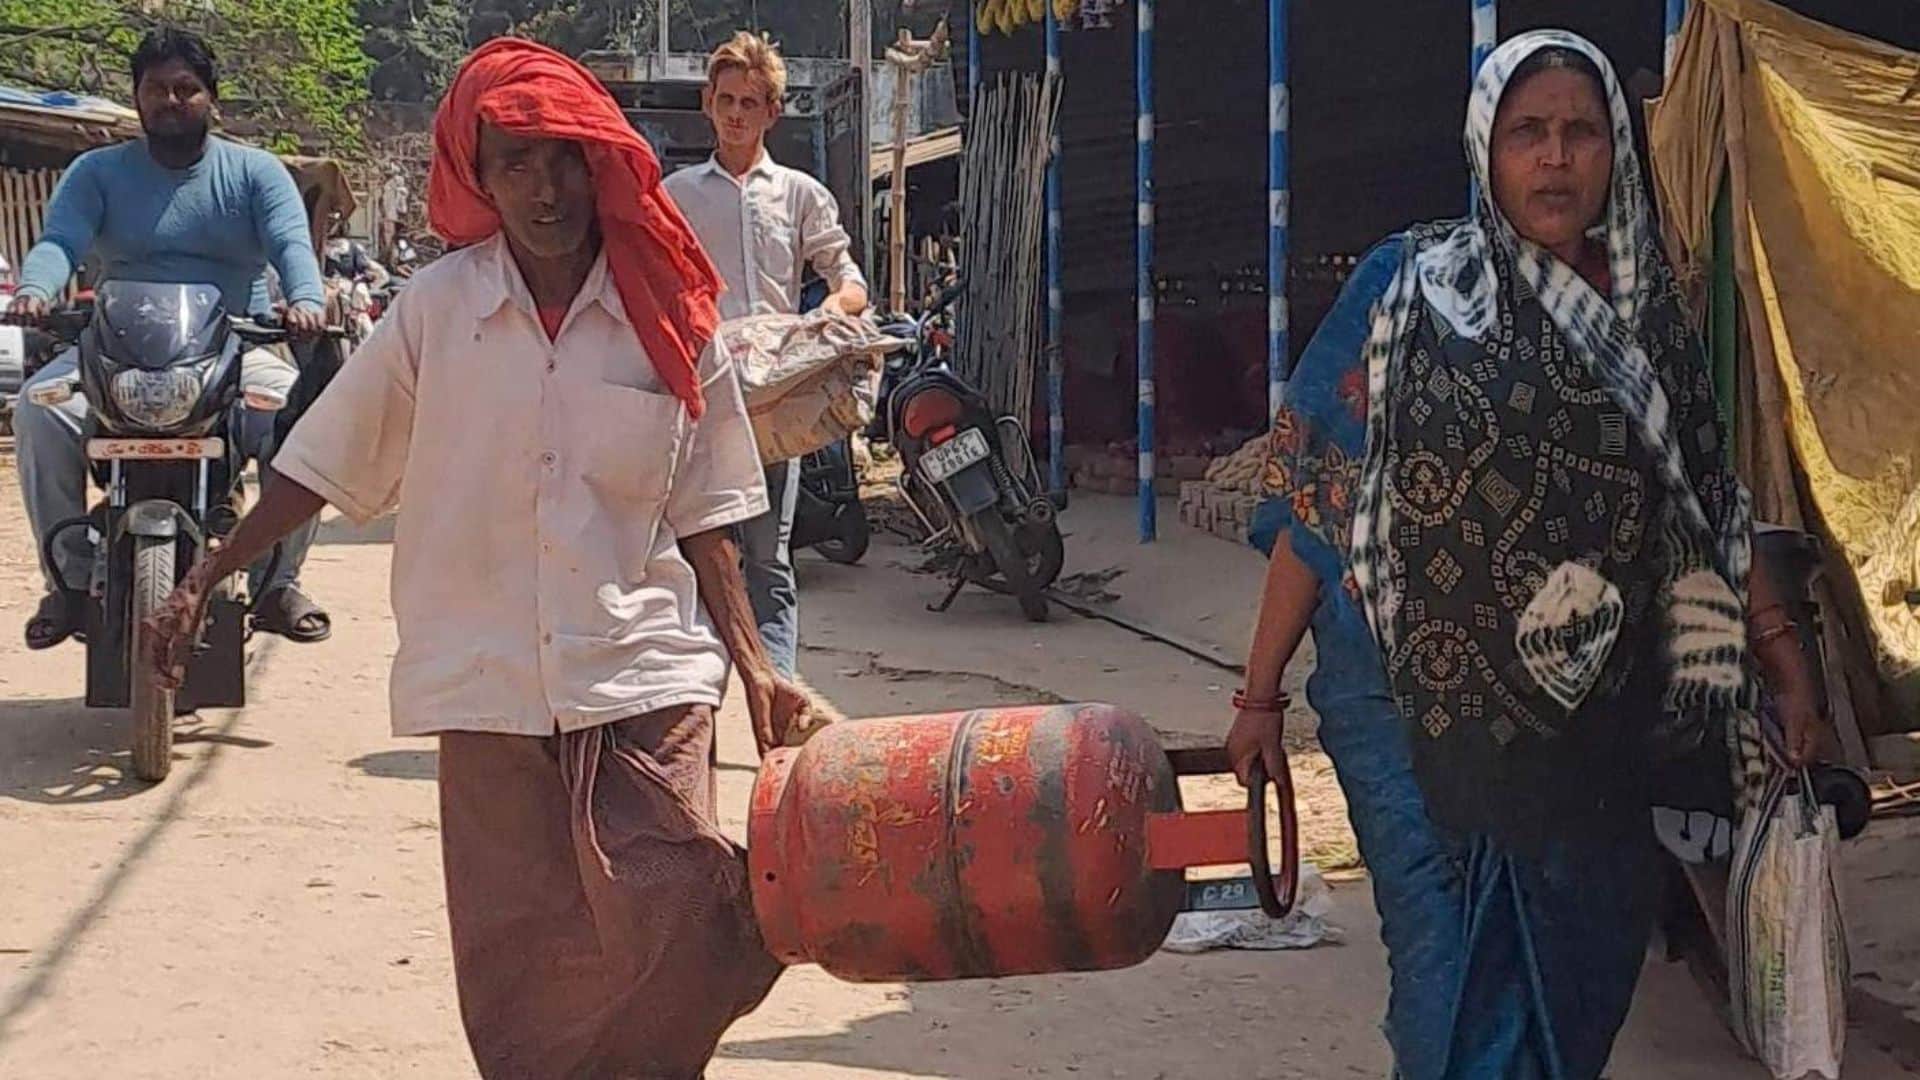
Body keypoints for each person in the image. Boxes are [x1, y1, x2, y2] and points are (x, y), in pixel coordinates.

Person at [144, 39, 813, 1079]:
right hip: (488, 688)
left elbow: (710, 509)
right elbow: (323, 460)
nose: (544, 189)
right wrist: (205, 573)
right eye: (515, 164)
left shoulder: (670, 316)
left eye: (564, 160)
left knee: (687, 917)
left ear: (601, 163)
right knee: (523, 991)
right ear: (480, 177)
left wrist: (759, 669)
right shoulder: (436, 313)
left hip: (639, 670)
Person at [1227, 31, 1829, 1079]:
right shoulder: (1405, 290)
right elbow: (1319, 497)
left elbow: (1709, 509)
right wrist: (1259, 697)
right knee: (1449, 965)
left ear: (1615, 156)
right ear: (1486, 151)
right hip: (1408, 708)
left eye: (1582, 134)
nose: (1556, 158)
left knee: (1577, 965)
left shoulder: (1645, 322)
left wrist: (1782, 660)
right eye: (1529, 133)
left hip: (1593, 718)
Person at [6, 27, 331, 649]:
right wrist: (35, 290)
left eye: (187, 88)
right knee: (40, 411)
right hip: (111, 354)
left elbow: (292, 245)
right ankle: (68, 583)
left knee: (305, 424)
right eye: (158, 89)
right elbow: (59, 242)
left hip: (238, 350)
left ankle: (278, 581)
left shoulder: (256, 173)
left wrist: (307, 302)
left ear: (213, 100)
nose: (172, 100)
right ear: (137, 98)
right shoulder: (94, 173)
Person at [664, 31, 870, 678]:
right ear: (707, 103)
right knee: (696, 554)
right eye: (726, 100)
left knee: (769, 558)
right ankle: (699, 694)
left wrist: (827, 317)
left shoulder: (801, 195)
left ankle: (777, 694)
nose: (735, 114)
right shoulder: (676, 197)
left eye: (749, 103)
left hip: (775, 402)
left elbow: (848, 280)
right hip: (701, 398)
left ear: (772, 112)